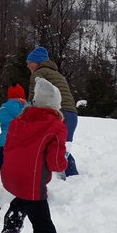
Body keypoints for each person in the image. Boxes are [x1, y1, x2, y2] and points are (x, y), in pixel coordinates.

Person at [0, 78, 68, 233]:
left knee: (22, 198)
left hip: (11, 176)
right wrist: (64, 160)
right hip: (31, 181)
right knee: (45, 230)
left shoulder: (18, 120)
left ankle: (10, 230)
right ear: (55, 106)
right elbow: (56, 164)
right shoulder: (56, 126)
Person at [25, 45, 79, 176]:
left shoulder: (39, 74)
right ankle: (73, 177)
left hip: (57, 113)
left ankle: (43, 175)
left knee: (45, 144)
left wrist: (26, 111)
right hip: (71, 114)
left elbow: (33, 97)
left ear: (37, 61)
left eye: (29, 62)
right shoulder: (57, 74)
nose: (28, 66)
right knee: (63, 147)